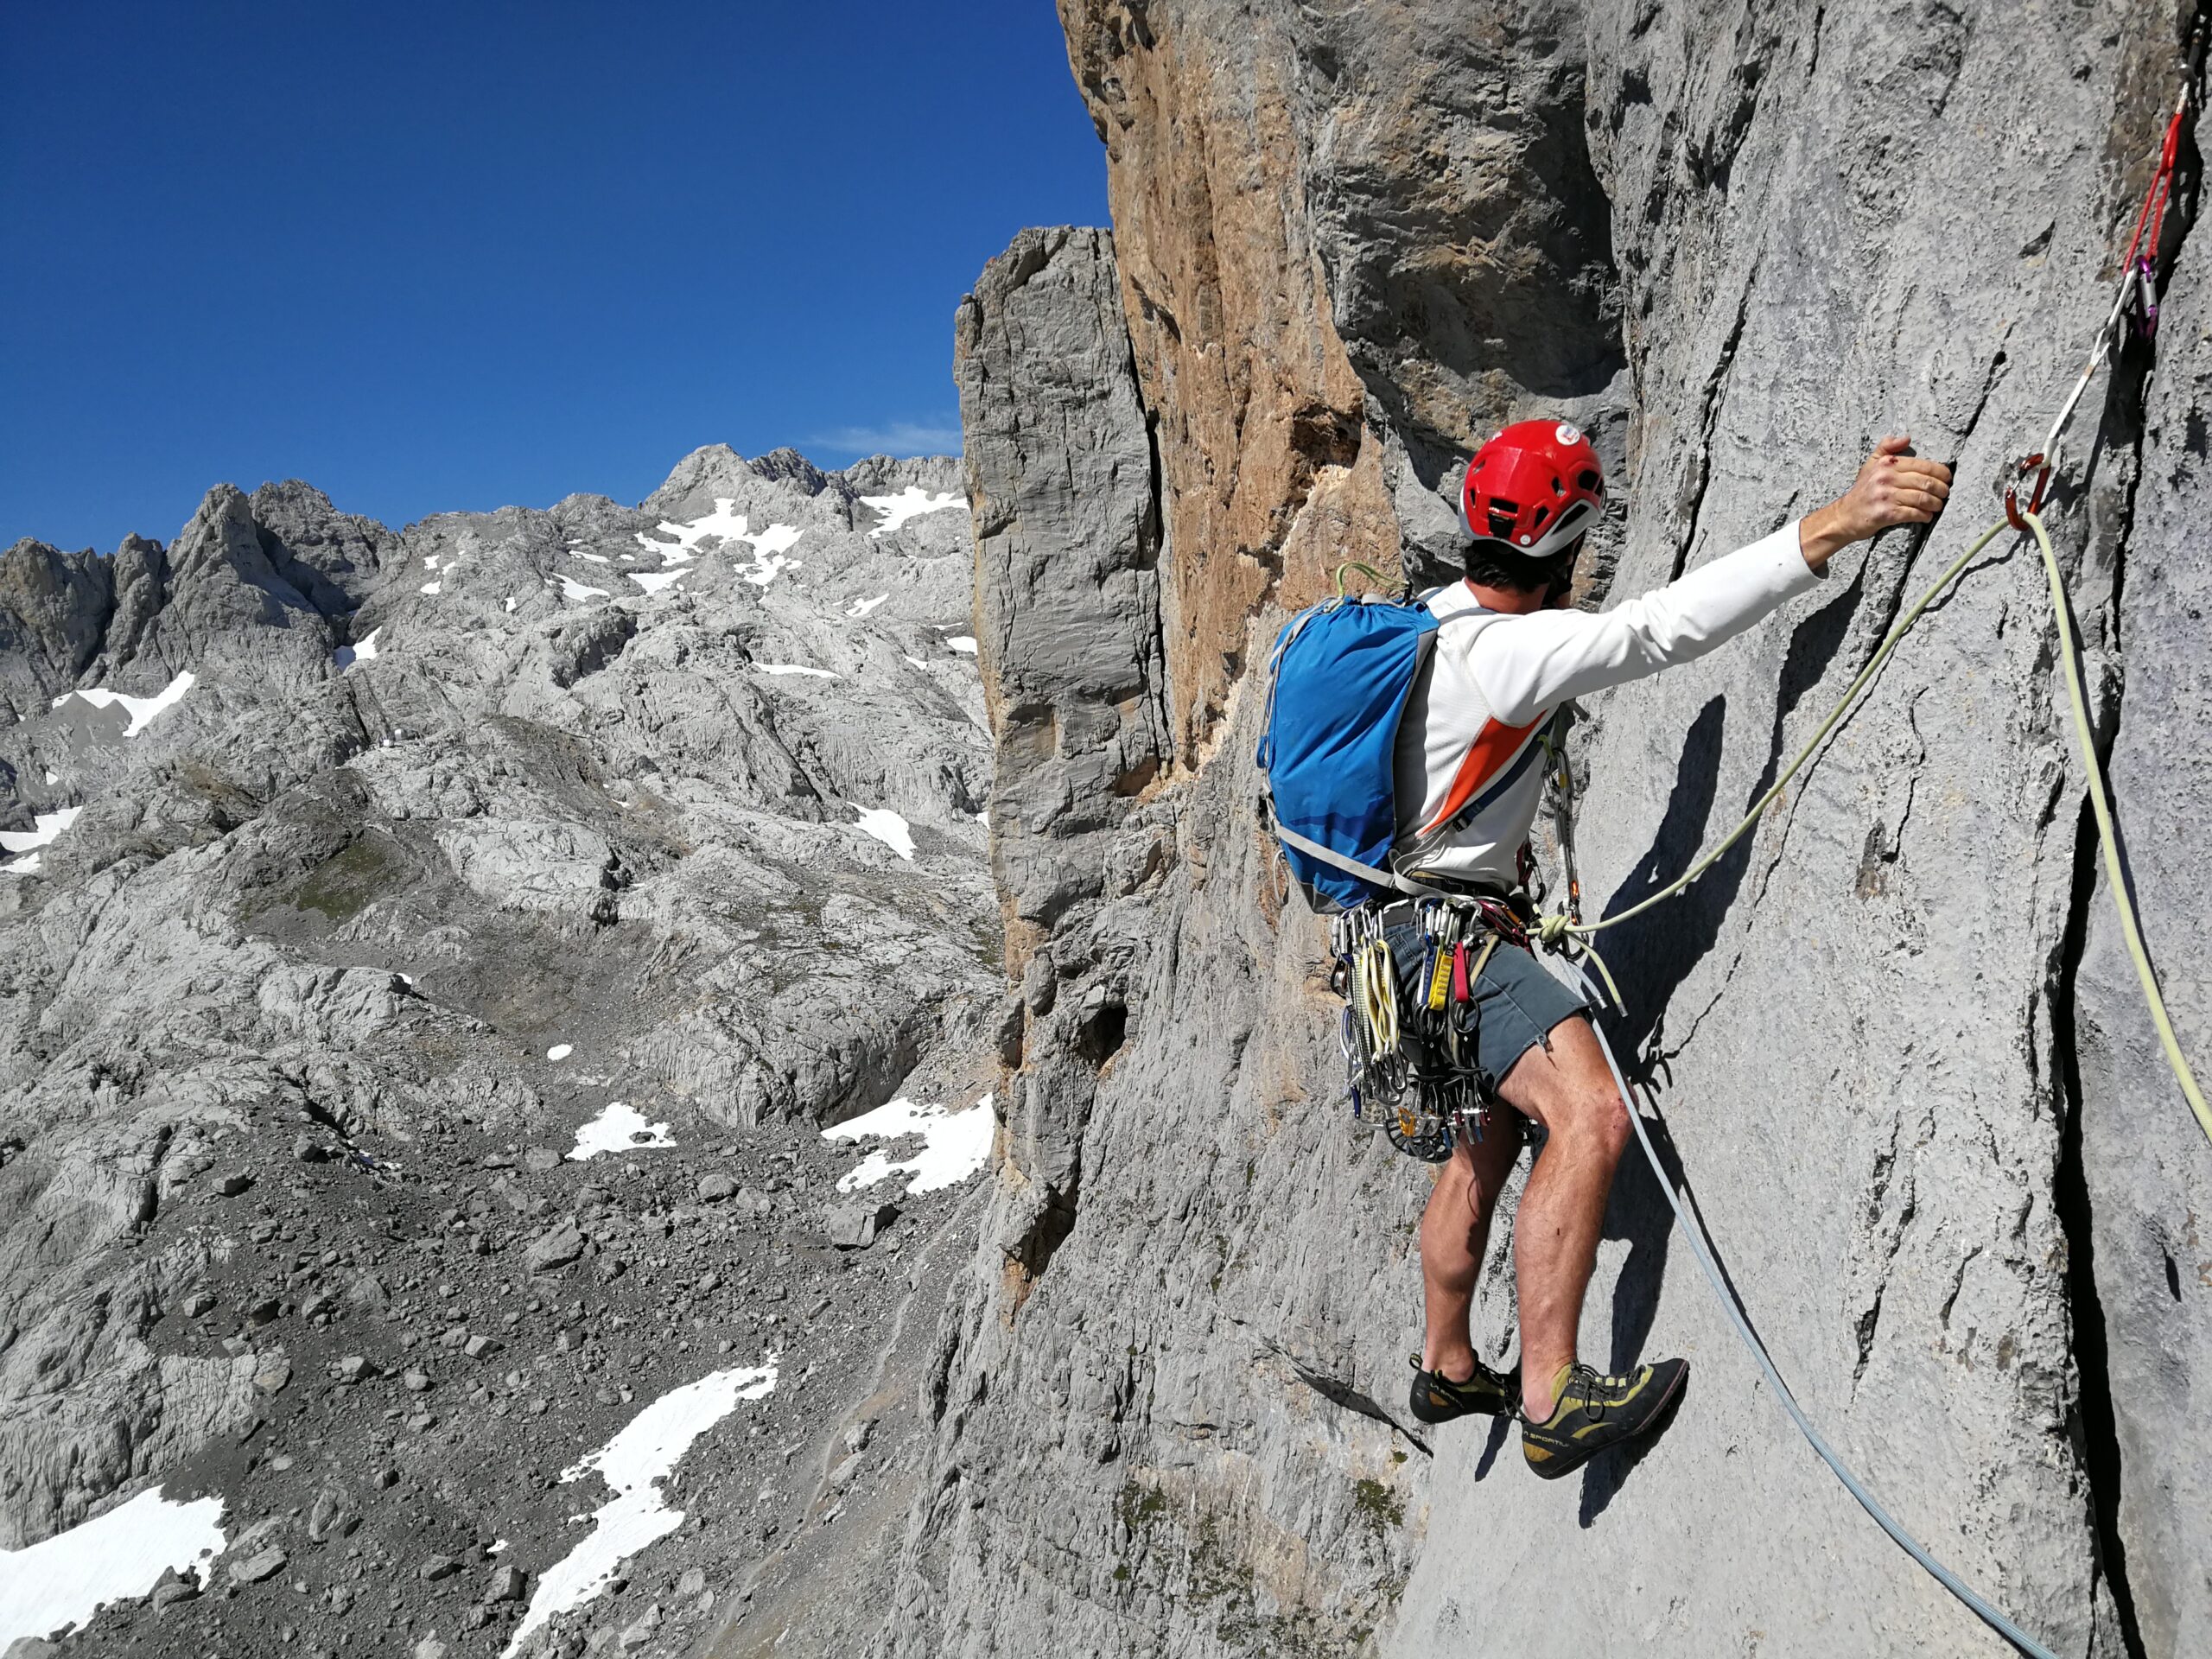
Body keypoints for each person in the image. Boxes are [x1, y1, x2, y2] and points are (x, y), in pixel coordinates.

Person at [1397, 420, 1951, 1479]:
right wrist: (1838, 522)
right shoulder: (1511, 650)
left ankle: (1448, 1361)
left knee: (1488, 1140)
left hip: (1394, 959)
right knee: (1589, 1113)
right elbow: (1660, 632)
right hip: (1453, 946)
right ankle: (1555, 1400)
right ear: (1559, 533)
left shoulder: (1421, 629)